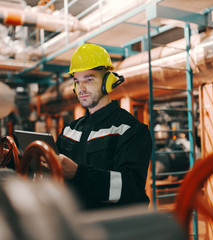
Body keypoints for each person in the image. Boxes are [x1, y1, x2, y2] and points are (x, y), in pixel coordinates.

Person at [56, 44, 152, 209]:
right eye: (77, 81)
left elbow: (131, 189)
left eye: (89, 79)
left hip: (112, 228)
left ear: (107, 82)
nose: (82, 88)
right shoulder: (70, 130)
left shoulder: (131, 130)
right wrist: (12, 161)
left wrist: (78, 173)